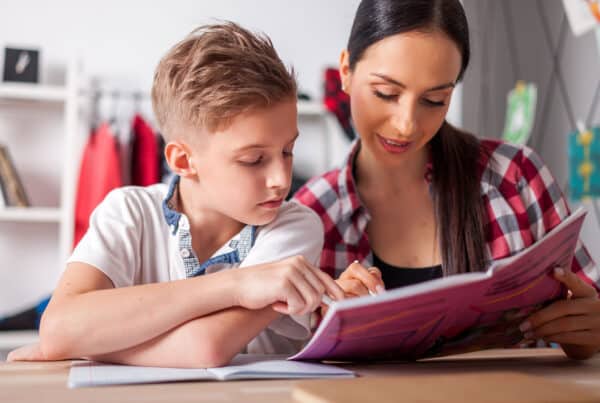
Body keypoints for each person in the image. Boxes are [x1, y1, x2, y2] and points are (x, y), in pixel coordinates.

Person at [7, 22, 343, 368]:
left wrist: (84, 346)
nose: (280, 178)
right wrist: (239, 285)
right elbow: (60, 327)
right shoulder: (128, 211)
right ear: (183, 160)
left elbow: (205, 348)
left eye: (288, 151)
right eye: (253, 160)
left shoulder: (294, 225)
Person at [295, 0, 600, 360]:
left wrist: (587, 334)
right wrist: (332, 325)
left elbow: (586, 308)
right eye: (386, 94)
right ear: (346, 70)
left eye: (434, 100)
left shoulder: (516, 178)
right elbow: (279, 366)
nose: (406, 124)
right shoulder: (310, 216)